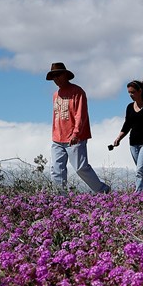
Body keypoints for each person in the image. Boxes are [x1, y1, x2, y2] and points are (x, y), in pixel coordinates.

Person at [47, 62, 111, 193]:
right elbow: (55, 116)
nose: (56, 79)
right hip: (57, 138)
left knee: (81, 167)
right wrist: (54, 134)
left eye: (58, 75)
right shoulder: (55, 95)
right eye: (53, 76)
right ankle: (59, 199)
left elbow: (80, 114)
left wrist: (76, 133)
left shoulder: (78, 92)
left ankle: (103, 190)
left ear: (65, 75)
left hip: (74, 137)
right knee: (56, 169)